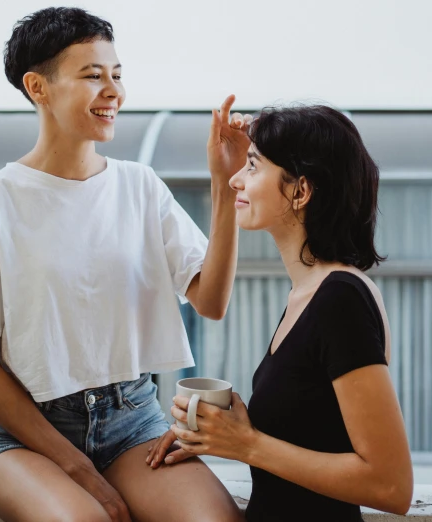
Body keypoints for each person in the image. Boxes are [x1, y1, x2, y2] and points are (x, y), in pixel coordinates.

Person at [0, 7, 249, 522]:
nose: (113, 91)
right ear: (39, 87)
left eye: (117, 76)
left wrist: (224, 182)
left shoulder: (140, 186)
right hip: (25, 436)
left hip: (134, 422)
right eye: (92, 76)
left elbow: (210, 300)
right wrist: (76, 467)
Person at [147, 105, 414, 521]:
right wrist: (219, 433)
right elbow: (315, 433)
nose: (237, 178)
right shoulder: (307, 294)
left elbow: (390, 485)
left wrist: (246, 444)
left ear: (300, 191)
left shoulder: (341, 298)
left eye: (252, 166)